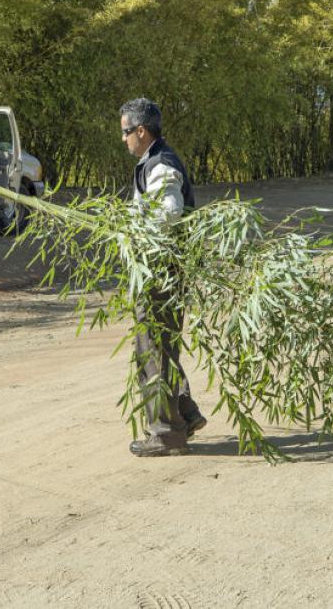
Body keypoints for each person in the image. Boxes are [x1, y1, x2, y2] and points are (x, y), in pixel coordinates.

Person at [119, 97, 206, 457]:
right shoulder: (152, 161)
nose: (123, 139)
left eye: (125, 132)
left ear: (141, 131)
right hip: (160, 270)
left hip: (161, 272)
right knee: (160, 348)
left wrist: (139, 234)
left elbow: (167, 214)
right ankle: (185, 412)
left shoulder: (161, 165)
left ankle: (167, 433)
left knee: (152, 350)